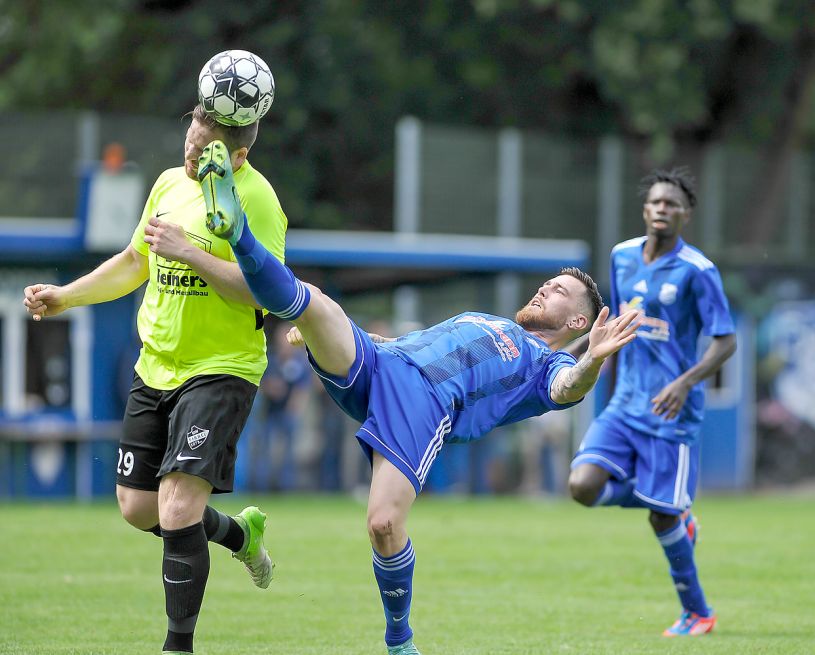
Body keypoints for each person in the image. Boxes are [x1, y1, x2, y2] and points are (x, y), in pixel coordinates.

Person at [195, 139, 641, 655]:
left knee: (383, 524)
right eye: (546, 284)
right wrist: (332, 333)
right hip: (383, 364)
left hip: (423, 403)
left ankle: (400, 642)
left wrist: (594, 359)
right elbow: (409, 344)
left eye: (558, 292)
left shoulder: (551, 366)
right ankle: (237, 227)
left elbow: (571, 388)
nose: (543, 290)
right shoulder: (489, 319)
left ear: (578, 323)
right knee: (312, 303)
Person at [23, 104, 286, 655]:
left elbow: (264, 290)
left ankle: (177, 647)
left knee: (177, 507)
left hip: (221, 369)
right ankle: (240, 534)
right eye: (189, 139)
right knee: (139, 508)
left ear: (238, 155)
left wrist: (189, 252)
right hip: (156, 366)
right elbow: (132, 262)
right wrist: (65, 296)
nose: (191, 155)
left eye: (205, 150)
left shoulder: (256, 199)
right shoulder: (168, 183)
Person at [567, 167, 737, 637]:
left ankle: (698, 613)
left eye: (673, 205)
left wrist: (685, 383)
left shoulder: (698, 272)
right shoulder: (621, 257)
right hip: (624, 403)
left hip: (671, 411)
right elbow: (613, 327)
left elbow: (725, 342)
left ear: (686, 216)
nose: (663, 209)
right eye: (656, 202)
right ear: (645, 209)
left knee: (660, 517)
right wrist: (572, 355)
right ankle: (675, 510)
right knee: (581, 486)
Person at [251, 320, 312, 491]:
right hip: (269, 412)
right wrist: (271, 387)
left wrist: (296, 407)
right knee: (265, 451)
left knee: (289, 453)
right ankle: (262, 488)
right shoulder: (270, 359)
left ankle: (287, 488)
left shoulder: (300, 362)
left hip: (289, 413)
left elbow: (303, 387)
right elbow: (260, 382)